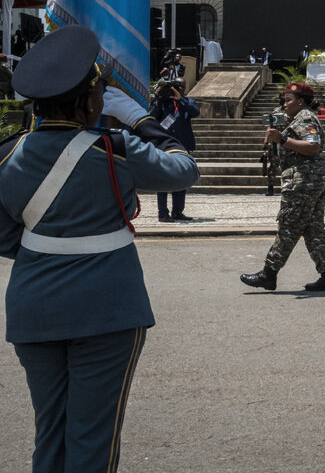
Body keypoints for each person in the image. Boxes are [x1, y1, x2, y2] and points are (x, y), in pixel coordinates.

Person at [0, 25, 199, 471]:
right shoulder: (117, 149)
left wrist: (48, 249)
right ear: (91, 102)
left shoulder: (7, 154)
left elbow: (5, 236)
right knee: (93, 438)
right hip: (107, 308)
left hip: (34, 305)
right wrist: (145, 122)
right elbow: (185, 170)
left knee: (49, 433)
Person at [240, 82, 325, 292]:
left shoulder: (306, 118)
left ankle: (269, 274)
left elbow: (313, 146)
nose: (284, 104)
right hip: (310, 179)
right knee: (313, 228)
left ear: (301, 101)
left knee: (289, 226)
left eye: (288, 100)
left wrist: (283, 139)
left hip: (304, 181)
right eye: (283, 101)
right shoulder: (295, 119)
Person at [149, 79, 199, 222]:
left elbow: (195, 112)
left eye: (180, 87)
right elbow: (151, 117)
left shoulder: (187, 102)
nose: (177, 89)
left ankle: (177, 211)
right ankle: (163, 213)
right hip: (164, 145)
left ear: (184, 89)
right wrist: (158, 98)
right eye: (175, 87)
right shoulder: (162, 103)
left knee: (181, 178)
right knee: (162, 179)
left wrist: (180, 99)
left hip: (182, 145)